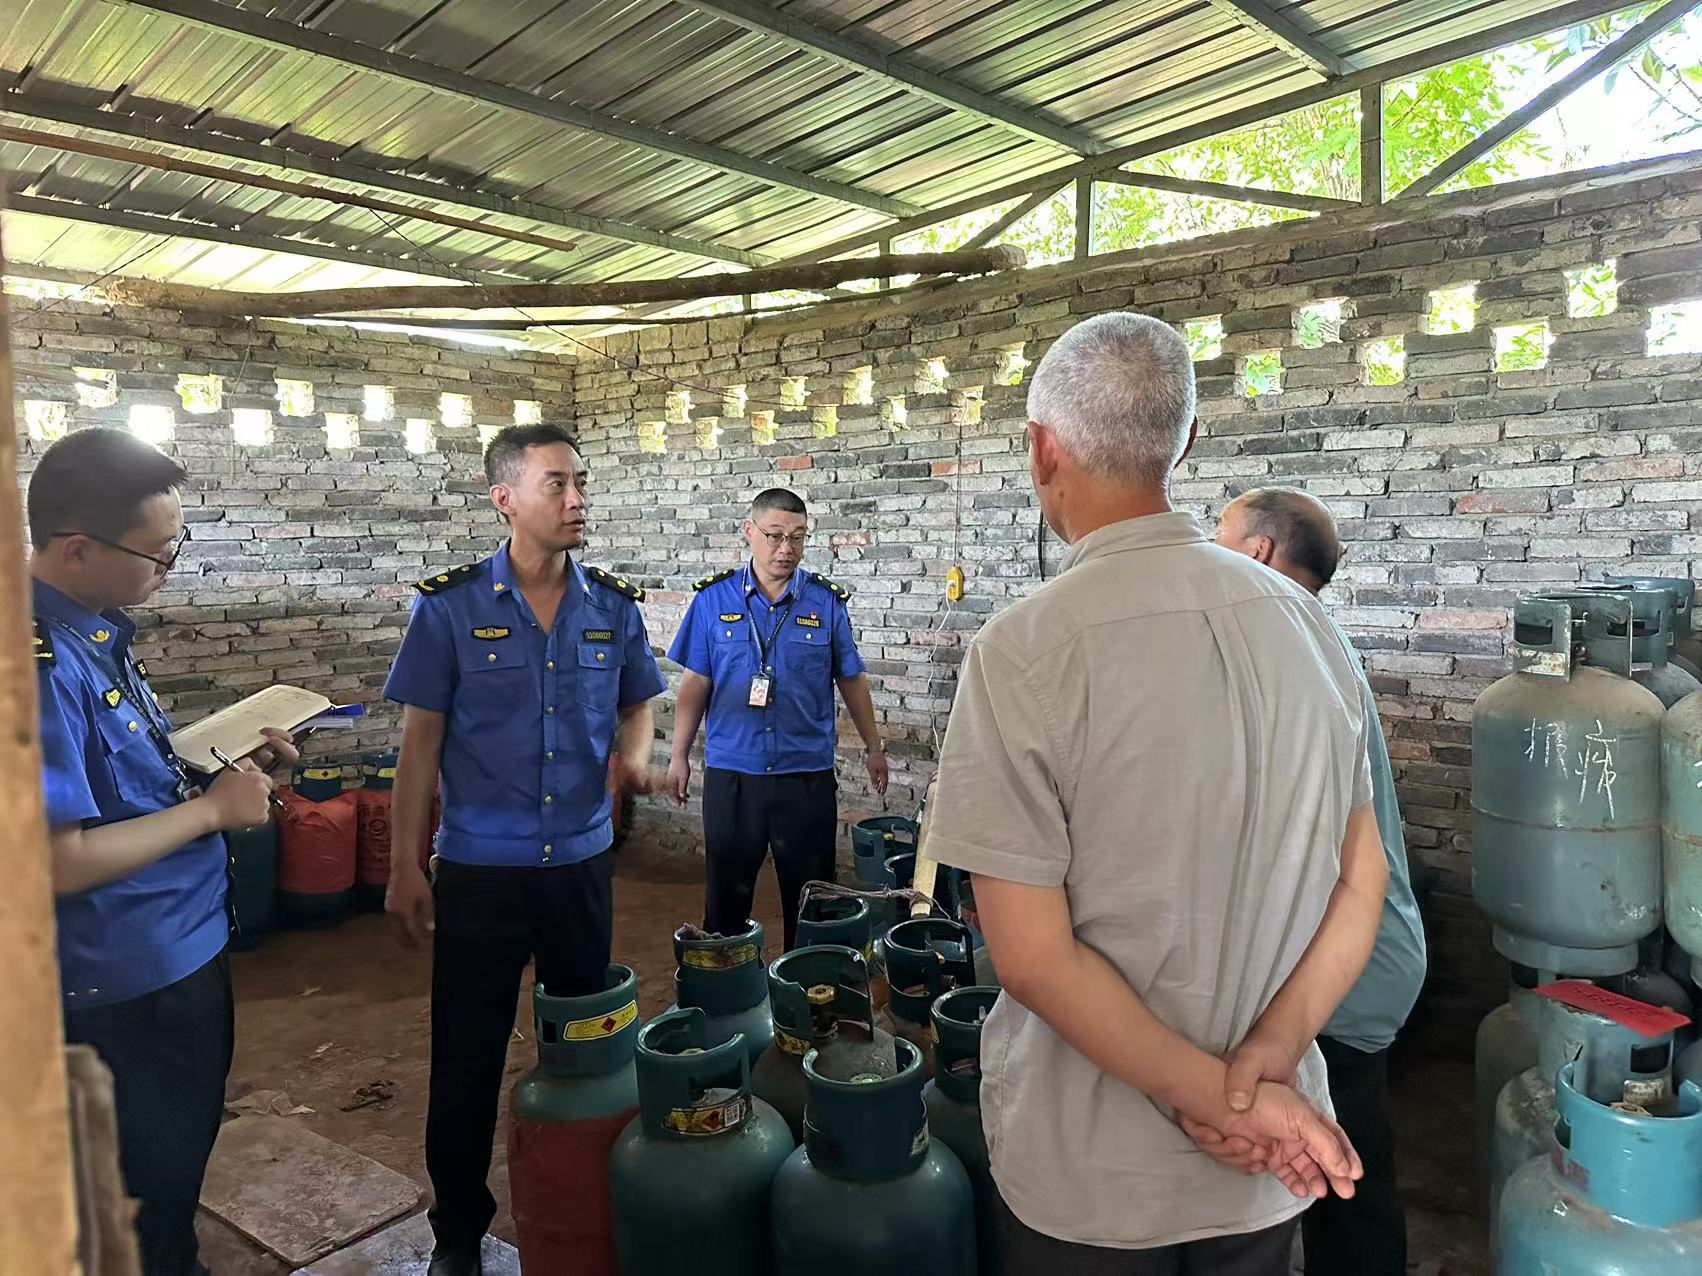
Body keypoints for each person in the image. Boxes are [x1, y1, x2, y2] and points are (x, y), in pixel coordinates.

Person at [925, 313, 1389, 1275]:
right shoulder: (1312, 629)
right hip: (1268, 1157)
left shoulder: (1023, 650)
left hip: (1092, 1173)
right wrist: (1265, 1065)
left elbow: (1034, 961)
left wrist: (1218, 1100)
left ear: (1042, 449)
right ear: (1185, 442)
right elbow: (1361, 883)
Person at [382, 423, 666, 1276]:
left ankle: (581, 1217)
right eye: (557, 484)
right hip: (481, 872)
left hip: (580, 866)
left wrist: (636, 756)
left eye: (581, 483)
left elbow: (638, 703)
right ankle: (458, 1234)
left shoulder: (611, 606)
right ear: (504, 498)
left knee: (588, 1052)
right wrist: (404, 865)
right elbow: (419, 749)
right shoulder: (450, 608)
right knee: (466, 1059)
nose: (577, 500)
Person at [30, 427, 297, 1276]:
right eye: (158, 553)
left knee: (169, 1176)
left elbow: (122, 787)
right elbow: (53, 862)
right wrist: (211, 813)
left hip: (174, 949)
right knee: (144, 1201)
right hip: (121, 983)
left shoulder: (92, 633)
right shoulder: (37, 663)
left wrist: (221, 771)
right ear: (77, 548)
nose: (169, 568)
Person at [1214, 486, 1427, 1276]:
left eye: (1219, 538)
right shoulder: (1307, 637)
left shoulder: (1290, 646)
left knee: (1342, 1177)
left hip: (1352, 960)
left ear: (1259, 552)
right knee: (1342, 1165)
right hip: (1368, 949)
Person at [664, 488, 886, 951]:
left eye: (798, 538)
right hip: (733, 774)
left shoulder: (825, 603)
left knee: (811, 904)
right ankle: (725, 986)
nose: (787, 548)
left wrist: (874, 747)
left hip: (804, 775)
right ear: (749, 532)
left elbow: (851, 678)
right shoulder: (712, 601)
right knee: (725, 902)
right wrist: (678, 755)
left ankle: (805, 988)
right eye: (775, 536)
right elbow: (696, 683)